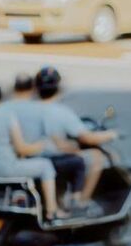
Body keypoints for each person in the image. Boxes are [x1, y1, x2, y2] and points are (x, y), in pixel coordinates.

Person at [0, 81, 70, 221]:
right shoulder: (6, 115)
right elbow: (22, 148)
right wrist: (43, 144)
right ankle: (52, 212)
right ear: (0, 96)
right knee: (46, 166)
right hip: (4, 168)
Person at [35, 66, 118, 214]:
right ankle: (80, 203)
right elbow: (88, 138)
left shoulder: (28, 109)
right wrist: (111, 134)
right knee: (96, 157)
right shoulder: (61, 112)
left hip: (32, 156)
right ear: (58, 87)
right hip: (51, 158)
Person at [7, 72, 91, 214]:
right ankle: (57, 209)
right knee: (76, 162)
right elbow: (51, 141)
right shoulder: (50, 110)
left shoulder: (10, 108)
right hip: (31, 158)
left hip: (17, 156)